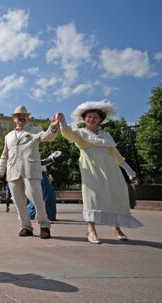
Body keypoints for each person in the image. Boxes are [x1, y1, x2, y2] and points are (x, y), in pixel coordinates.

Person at [58, 101, 142, 244]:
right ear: (84, 119)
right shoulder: (80, 133)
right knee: (92, 197)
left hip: (110, 169)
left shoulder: (106, 135)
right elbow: (68, 134)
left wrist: (128, 169)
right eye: (89, 116)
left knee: (115, 195)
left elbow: (115, 154)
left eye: (95, 117)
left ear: (100, 119)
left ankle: (117, 228)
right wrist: (62, 122)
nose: (92, 119)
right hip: (91, 169)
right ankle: (91, 230)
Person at [0, 105, 60, 239]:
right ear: (14, 119)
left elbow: (47, 137)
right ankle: (26, 227)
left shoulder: (35, 130)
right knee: (19, 202)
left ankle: (44, 226)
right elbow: (4, 155)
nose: (21, 117)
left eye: (24, 115)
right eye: (18, 116)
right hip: (13, 172)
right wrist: (0, 170)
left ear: (28, 117)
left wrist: (52, 127)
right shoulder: (8, 136)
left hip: (30, 170)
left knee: (37, 199)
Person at [28, 151, 61, 222]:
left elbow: (43, 163)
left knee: (47, 196)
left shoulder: (34, 158)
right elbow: (42, 162)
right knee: (42, 196)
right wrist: (51, 158)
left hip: (42, 176)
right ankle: (38, 215)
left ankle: (47, 215)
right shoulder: (30, 159)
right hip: (39, 176)